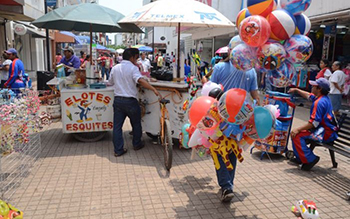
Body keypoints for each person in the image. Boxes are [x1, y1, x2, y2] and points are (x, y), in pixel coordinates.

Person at [210, 58, 260, 202]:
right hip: (241, 119)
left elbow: (211, 89)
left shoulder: (220, 67)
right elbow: (255, 94)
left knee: (220, 150)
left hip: (222, 117)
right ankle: (228, 185)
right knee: (232, 150)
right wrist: (259, 107)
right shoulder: (250, 70)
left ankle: (226, 186)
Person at [108, 48, 161, 157]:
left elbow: (110, 82)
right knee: (136, 124)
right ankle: (137, 144)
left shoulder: (115, 68)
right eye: (136, 58)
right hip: (130, 101)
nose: (137, 60)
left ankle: (118, 150)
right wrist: (153, 89)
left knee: (117, 127)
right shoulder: (133, 68)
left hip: (118, 101)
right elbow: (140, 80)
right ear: (132, 57)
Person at [288, 78, 338, 171]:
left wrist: (298, 129)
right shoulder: (323, 98)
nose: (311, 87)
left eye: (314, 86)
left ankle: (310, 159)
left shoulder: (319, 103)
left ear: (319, 89)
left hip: (325, 134)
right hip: (327, 131)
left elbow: (314, 123)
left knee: (296, 134)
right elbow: (308, 95)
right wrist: (296, 90)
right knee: (297, 133)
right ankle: (300, 158)